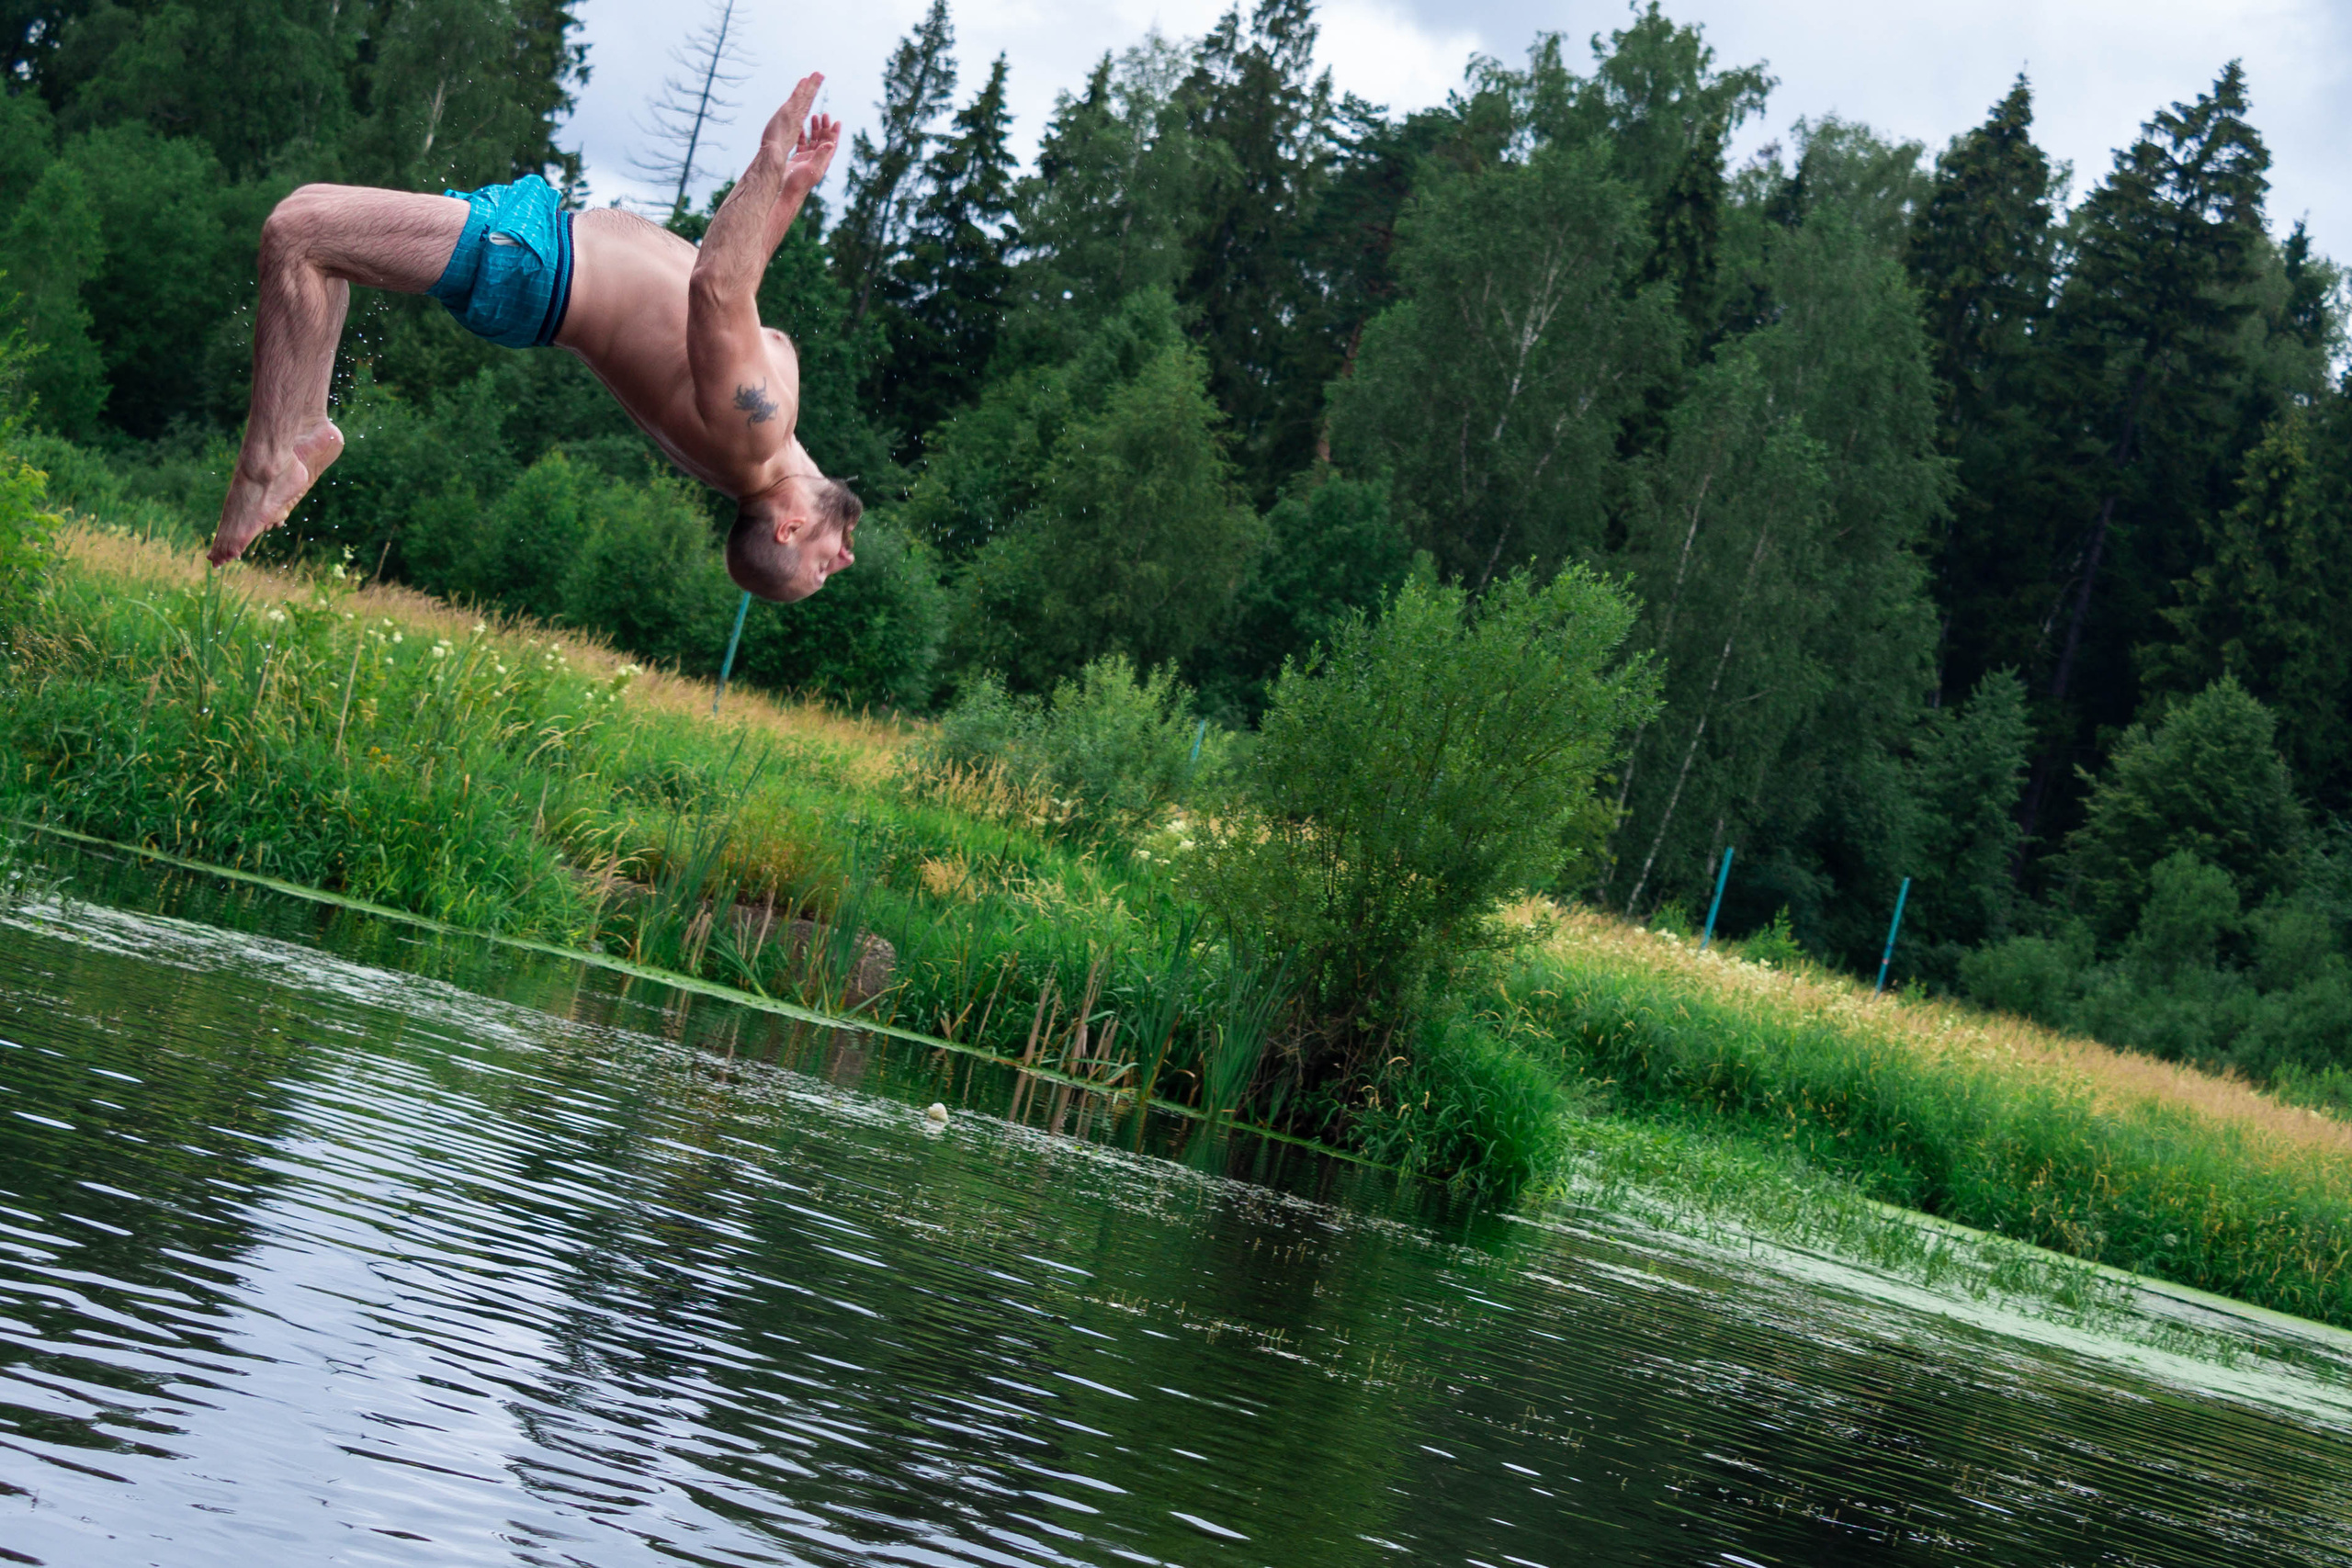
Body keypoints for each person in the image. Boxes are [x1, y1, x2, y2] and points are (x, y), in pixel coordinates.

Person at [209, 73, 856, 604]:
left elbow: (715, 285)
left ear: (789, 527)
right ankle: (305, 428)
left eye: (824, 567)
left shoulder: (755, 433)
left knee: (298, 233)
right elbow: (727, 292)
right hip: (536, 246)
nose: (846, 556)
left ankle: (267, 462)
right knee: (320, 238)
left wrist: (769, 160)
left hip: (531, 266)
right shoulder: (764, 433)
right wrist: (789, 196)